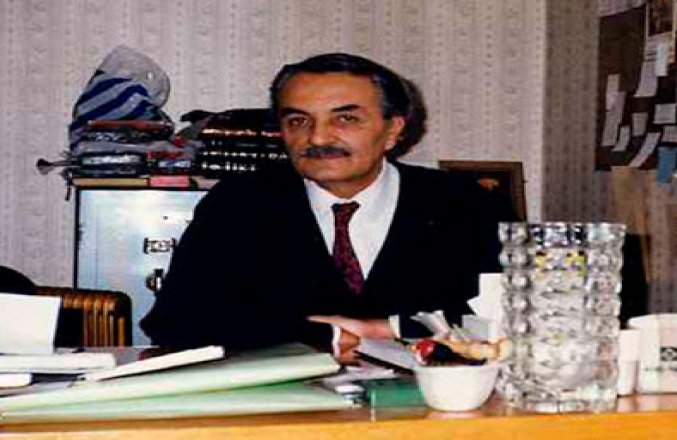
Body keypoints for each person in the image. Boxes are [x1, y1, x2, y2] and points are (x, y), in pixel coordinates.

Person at [141, 53, 514, 362]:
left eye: (345, 119)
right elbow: (177, 323)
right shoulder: (239, 204)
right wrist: (319, 338)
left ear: (393, 130)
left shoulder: (464, 204)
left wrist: (389, 329)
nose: (317, 137)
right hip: (284, 409)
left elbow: (515, 317)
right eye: (298, 121)